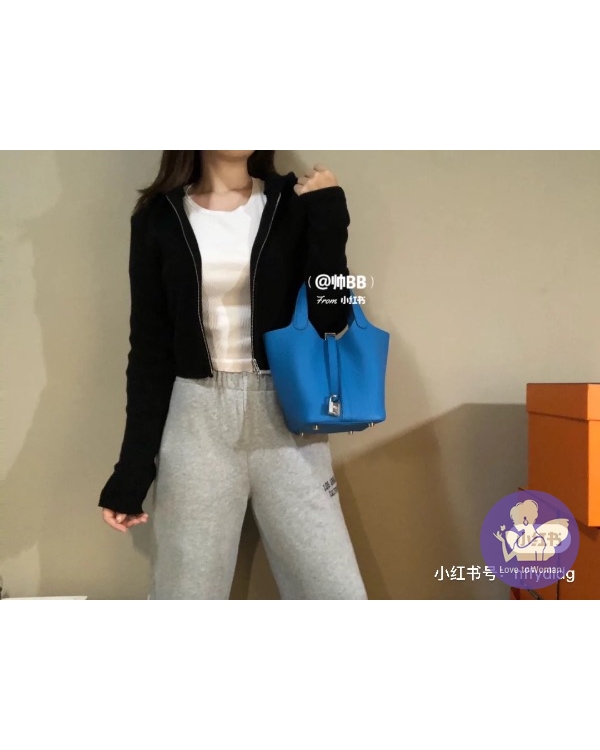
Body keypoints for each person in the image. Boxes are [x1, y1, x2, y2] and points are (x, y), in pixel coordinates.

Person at [98, 150, 368, 600]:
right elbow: (149, 351)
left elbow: (331, 318)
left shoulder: (292, 202)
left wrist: (329, 214)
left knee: (336, 595)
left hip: (288, 417)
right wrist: (132, 470)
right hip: (196, 419)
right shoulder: (157, 218)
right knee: (187, 595)